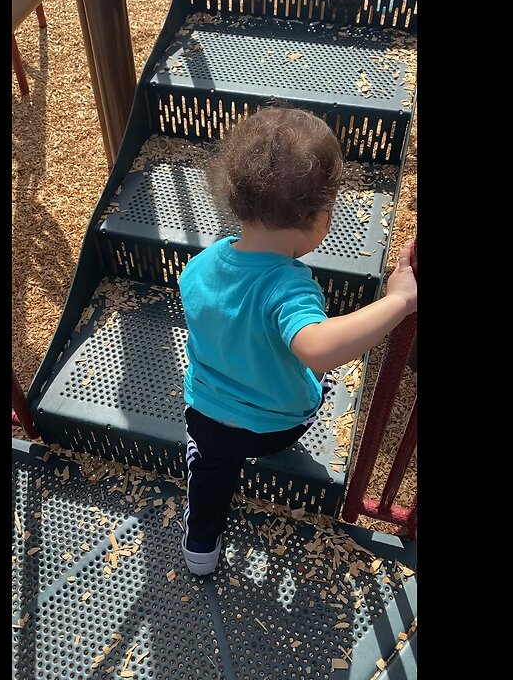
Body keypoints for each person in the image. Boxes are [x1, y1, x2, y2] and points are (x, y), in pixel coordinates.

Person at [178, 107, 418, 575]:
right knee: (311, 376)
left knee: (207, 472)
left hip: (208, 416)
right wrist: (398, 301)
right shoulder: (289, 287)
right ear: (316, 217)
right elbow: (317, 347)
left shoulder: (200, 267)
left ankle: (200, 547)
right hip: (281, 424)